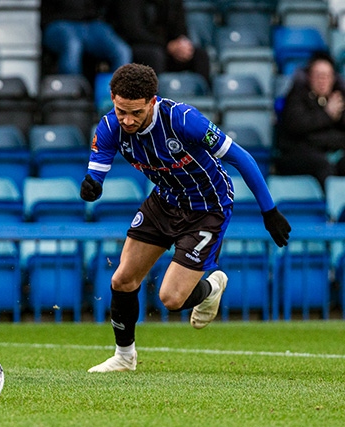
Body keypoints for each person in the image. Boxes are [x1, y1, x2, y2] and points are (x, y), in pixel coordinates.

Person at [81, 63, 291, 373]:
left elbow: (241, 158)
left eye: (136, 113)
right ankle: (124, 357)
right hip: (164, 201)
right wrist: (91, 186)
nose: (127, 120)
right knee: (123, 279)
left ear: (152, 101)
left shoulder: (183, 120)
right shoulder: (110, 127)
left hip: (207, 208)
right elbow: (96, 169)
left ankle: (212, 288)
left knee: (171, 299)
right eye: (121, 110)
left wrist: (269, 210)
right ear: (113, 98)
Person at [275, 51, 345, 189]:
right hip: (299, 156)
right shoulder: (296, 96)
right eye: (318, 76)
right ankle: (329, 207)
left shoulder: (339, 96)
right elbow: (297, 127)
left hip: (331, 153)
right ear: (309, 77)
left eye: (327, 76)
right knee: (322, 165)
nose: (323, 80)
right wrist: (327, 115)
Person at [106, 0, 210, 83]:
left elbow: (180, 29)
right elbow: (133, 32)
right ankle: (155, 103)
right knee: (155, 55)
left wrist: (181, 44)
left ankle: (204, 102)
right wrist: (168, 46)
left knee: (199, 55)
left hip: (166, 49)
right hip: (135, 46)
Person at [40, 0, 132, 75]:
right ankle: (71, 92)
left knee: (122, 51)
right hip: (58, 22)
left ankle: (116, 94)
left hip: (90, 23)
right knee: (73, 45)